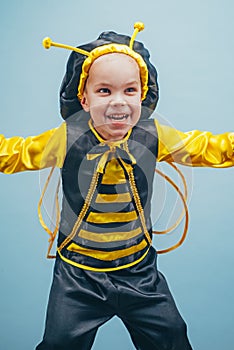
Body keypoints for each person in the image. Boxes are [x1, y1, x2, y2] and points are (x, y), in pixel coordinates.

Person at [0, 22, 233, 350]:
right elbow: (16, 154)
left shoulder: (154, 135)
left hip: (139, 272)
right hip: (77, 278)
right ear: (84, 98)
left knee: (172, 338)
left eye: (130, 90)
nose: (118, 103)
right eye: (104, 91)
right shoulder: (67, 138)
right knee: (59, 344)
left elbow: (205, 147)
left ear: (143, 94)